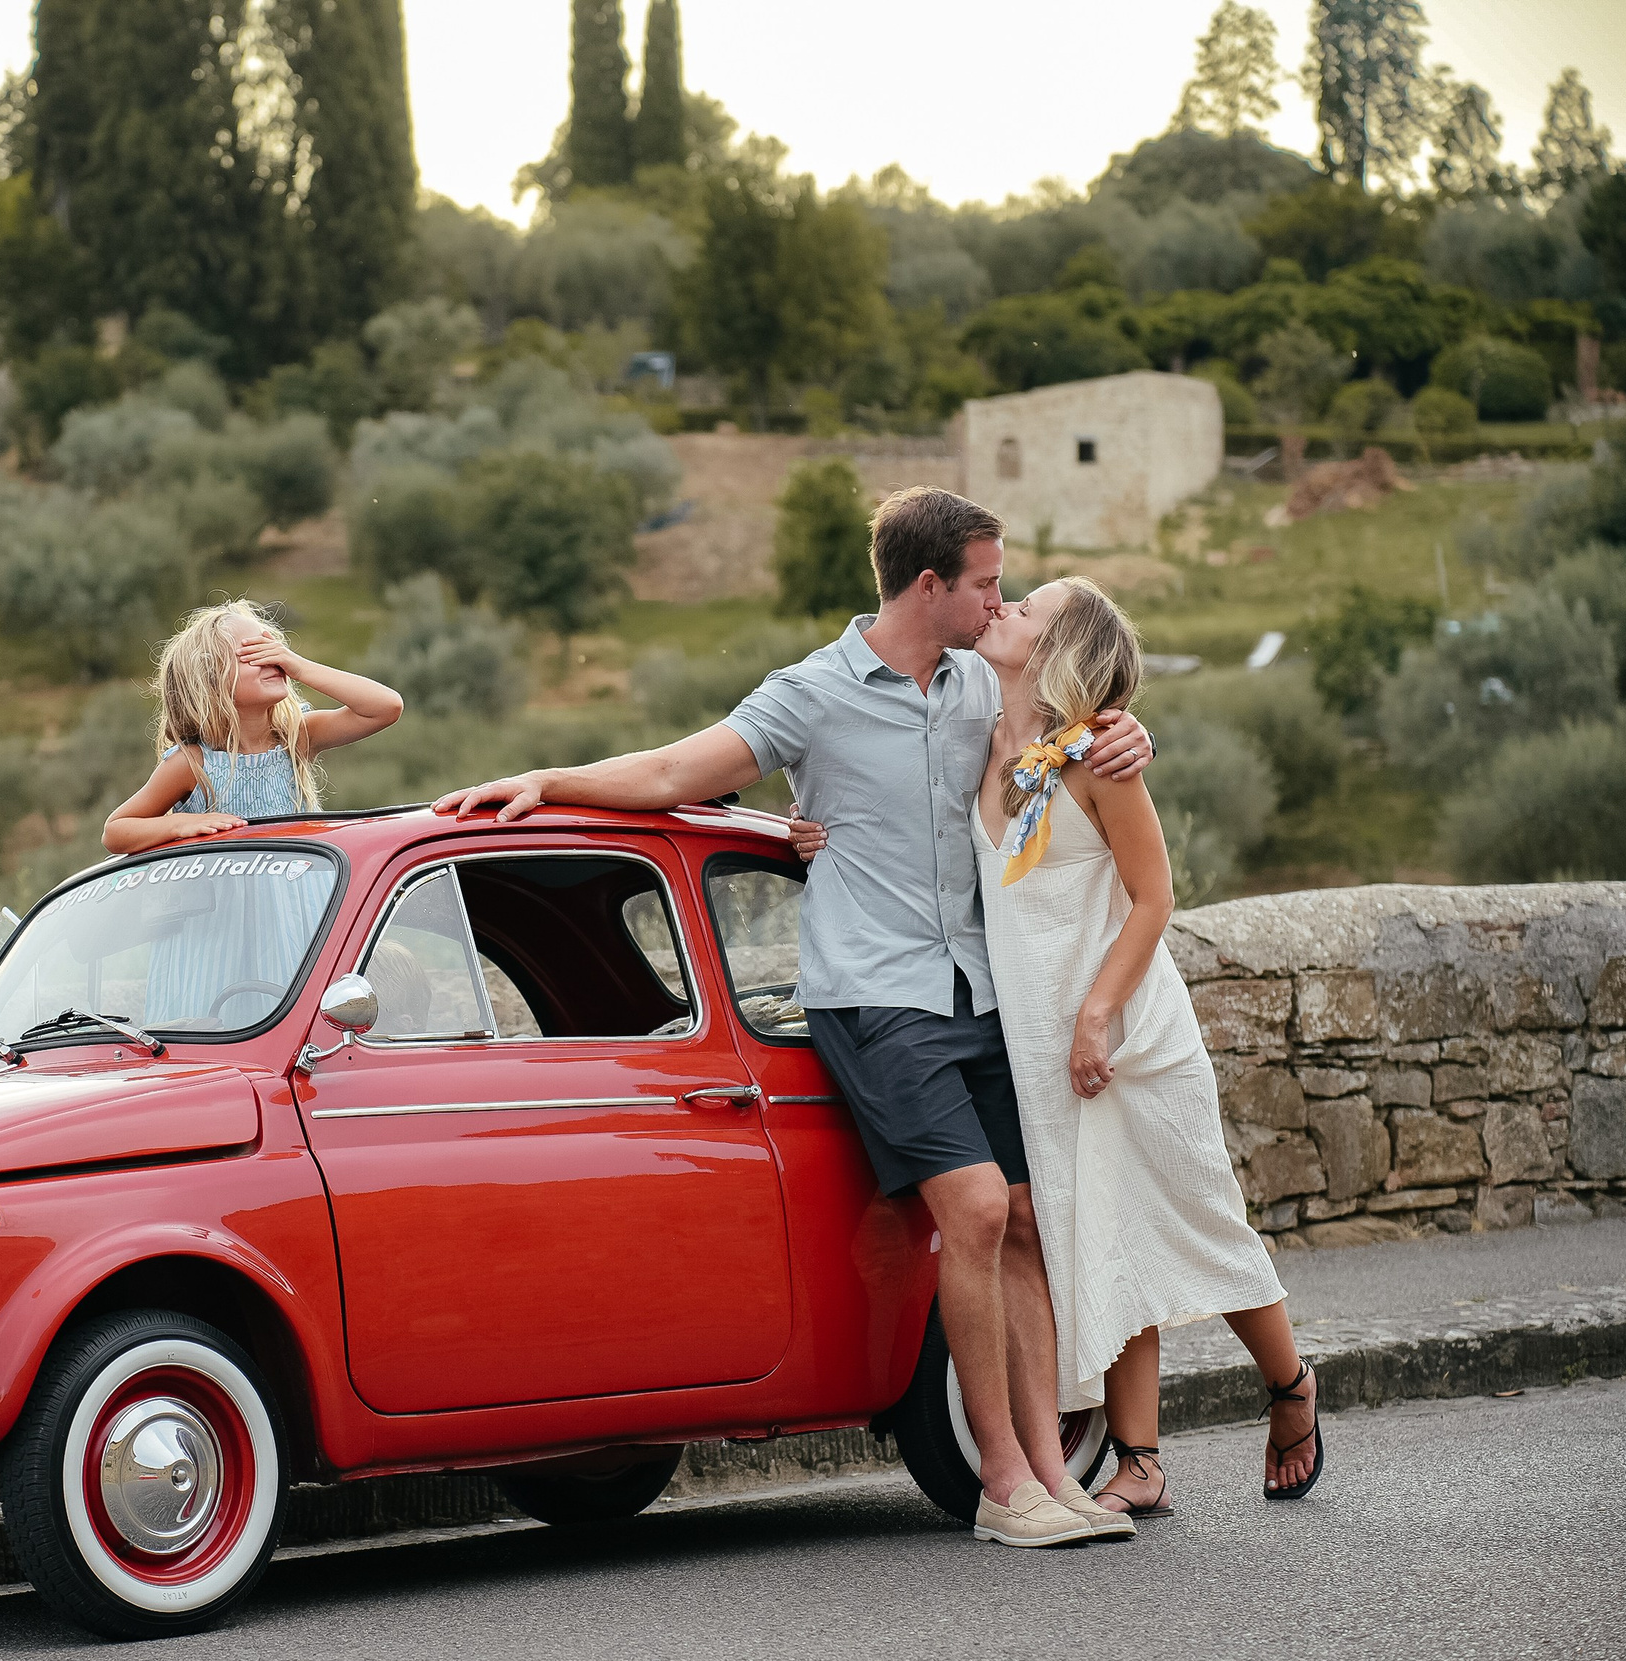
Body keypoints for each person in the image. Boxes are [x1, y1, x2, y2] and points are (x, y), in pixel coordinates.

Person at [436, 488, 1156, 1549]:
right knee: (968, 1212)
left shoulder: (980, 686)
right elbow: (681, 771)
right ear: (929, 585)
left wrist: (1123, 730)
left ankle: (1054, 1471)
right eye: (987, 582)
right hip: (875, 995)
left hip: (982, 992)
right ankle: (1002, 1484)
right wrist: (546, 779)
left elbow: (1067, 738)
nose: (999, 599)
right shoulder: (811, 694)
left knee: (1026, 1226)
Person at [790, 576, 1323, 1514]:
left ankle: (1291, 1387)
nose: (1003, 610)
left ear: (1056, 650)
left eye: (1026, 609)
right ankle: (1142, 1463)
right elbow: (890, 793)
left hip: (1127, 1034)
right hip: (1035, 1037)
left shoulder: (1099, 759)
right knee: (1102, 1230)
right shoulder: (982, 742)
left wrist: (1094, 1014)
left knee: (1198, 1219)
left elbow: (1155, 899)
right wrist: (811, 834)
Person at [104, 599, 403, 856]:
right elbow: (116, 831)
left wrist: (299, 666)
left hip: (304, 910)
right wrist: (178, 825)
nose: (274, 659)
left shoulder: (296, 737)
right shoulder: (193, 764)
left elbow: (385, 708)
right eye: (255, 653)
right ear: (212, 681)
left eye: (273, 647)